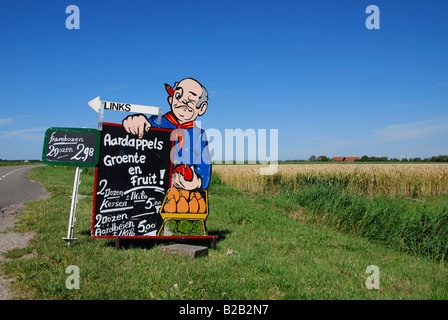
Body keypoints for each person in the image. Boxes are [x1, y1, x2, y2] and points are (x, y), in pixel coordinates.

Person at [122, 77, 211, 191]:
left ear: (202, 108)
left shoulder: (199, 135)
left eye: (191, 99)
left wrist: (197, 182)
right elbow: (141, 129)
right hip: (150, 190)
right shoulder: (156, 123)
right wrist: (136, 122)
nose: (184, 101)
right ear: (171, 100)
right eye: (178, 96)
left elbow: (204, 167)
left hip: (184, 198)